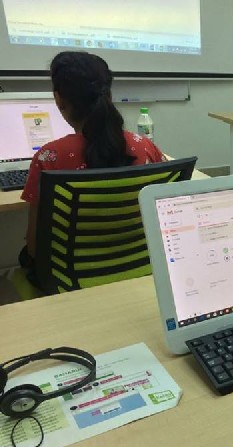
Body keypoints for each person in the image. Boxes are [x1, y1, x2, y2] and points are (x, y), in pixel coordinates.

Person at [19, 51, 165, 281]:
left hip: (69, 280)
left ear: (59, 99)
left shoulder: (49, 157)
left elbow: (35, 248)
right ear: (109, 94)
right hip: (142, 269)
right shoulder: (144, 146)